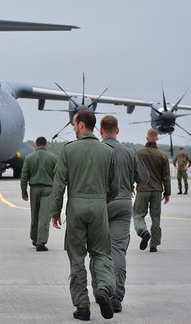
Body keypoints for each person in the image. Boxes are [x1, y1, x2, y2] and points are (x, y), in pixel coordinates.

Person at [50, 110, 119, 321]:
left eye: (74, 124)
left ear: (81, 125)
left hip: (76, 207)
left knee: (77, 258)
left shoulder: (68, 150)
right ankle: (104, 289)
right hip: (99, 206)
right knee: (102, 254)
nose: (73, 128)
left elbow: (59, 184)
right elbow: (114, 187)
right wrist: (100, 200)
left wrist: (55, 211)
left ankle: (82, 306)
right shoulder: (108, 151)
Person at [99, 115, 149, 313]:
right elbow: (144, 178)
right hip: (122, 203)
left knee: (99, 250)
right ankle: (116, 296)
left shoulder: (97, 150)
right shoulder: (129, 152)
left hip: (100, 204)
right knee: (118, 249)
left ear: (100, 131)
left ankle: (101, 288)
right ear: (117, 130)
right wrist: (130, 184)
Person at [132, 128, 171, 253]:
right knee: (156, 218)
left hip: (143, 189)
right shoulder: (162, 156)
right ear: (157, 138)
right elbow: (166, 177)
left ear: (146, 138)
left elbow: (133, 171)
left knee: (138, 214)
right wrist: (167, 193)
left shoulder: (138, 153)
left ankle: (143, 232)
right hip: (157, 190)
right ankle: (154, 245)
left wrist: (130, 186)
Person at [20, 136, 57, 252]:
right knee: (44, 216)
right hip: (48, 189)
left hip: (34, 189)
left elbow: (24, 176)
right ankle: (41, 242)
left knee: (34, 215)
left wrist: (24, 192)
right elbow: (58, 177)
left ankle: (35, 238)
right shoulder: (53, 158)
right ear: (46, 145)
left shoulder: (29, 158)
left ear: (36, 145)